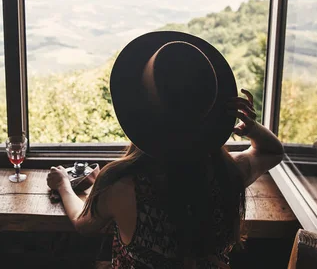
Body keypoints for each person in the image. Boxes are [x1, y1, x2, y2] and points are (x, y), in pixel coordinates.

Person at [47, 31, 284, 269]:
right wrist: (250, 127)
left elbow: (83, 224)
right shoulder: (229, 172)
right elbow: (273, 152)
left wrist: (63, 184)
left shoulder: (121, 184)